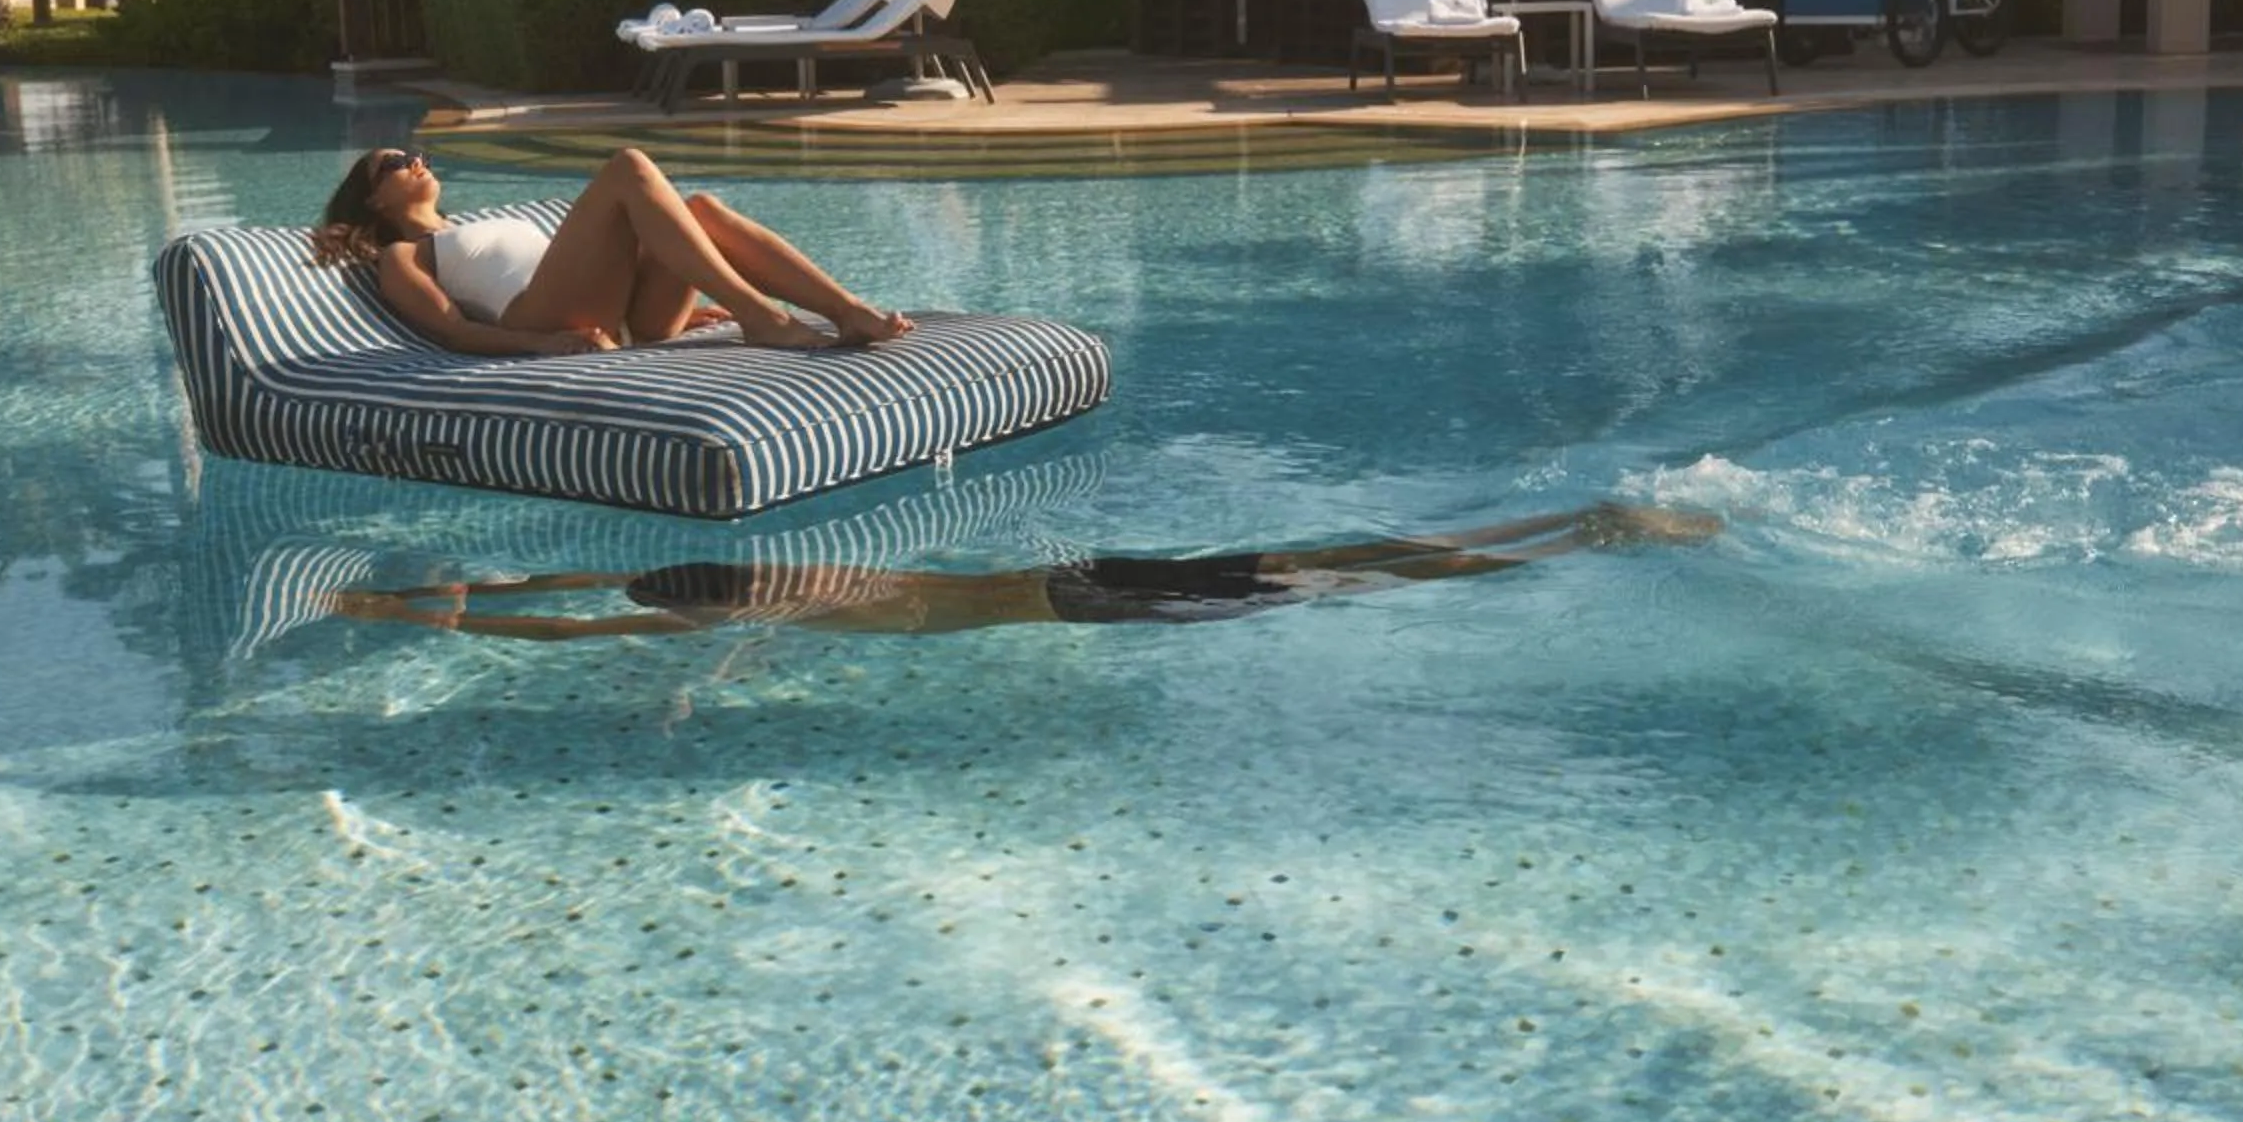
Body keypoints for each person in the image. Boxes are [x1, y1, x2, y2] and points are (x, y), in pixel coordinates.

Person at [330, 501, 1724, 642]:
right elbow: (575, 594)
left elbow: (580, 624)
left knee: (1344, 579)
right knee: (1333, 559)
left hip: (1085, 602)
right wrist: (441, 600)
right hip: (1083, 565)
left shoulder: (739, 619)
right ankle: (1566, 528)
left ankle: (1574, 539)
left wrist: (434, 618)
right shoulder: (775, 570)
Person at [311, 143, 914, 356]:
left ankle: (845, 309)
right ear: (374, 201)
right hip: (543, 318)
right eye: (395, 161)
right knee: (627, 167)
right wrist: (538, 343)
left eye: (415, 153)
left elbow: (596, 267)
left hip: (617, 322)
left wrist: (670, 304)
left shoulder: (465, 223)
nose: (414, 160)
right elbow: (453, 334)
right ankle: (763, 317)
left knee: (700, 207)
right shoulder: (403, 258)